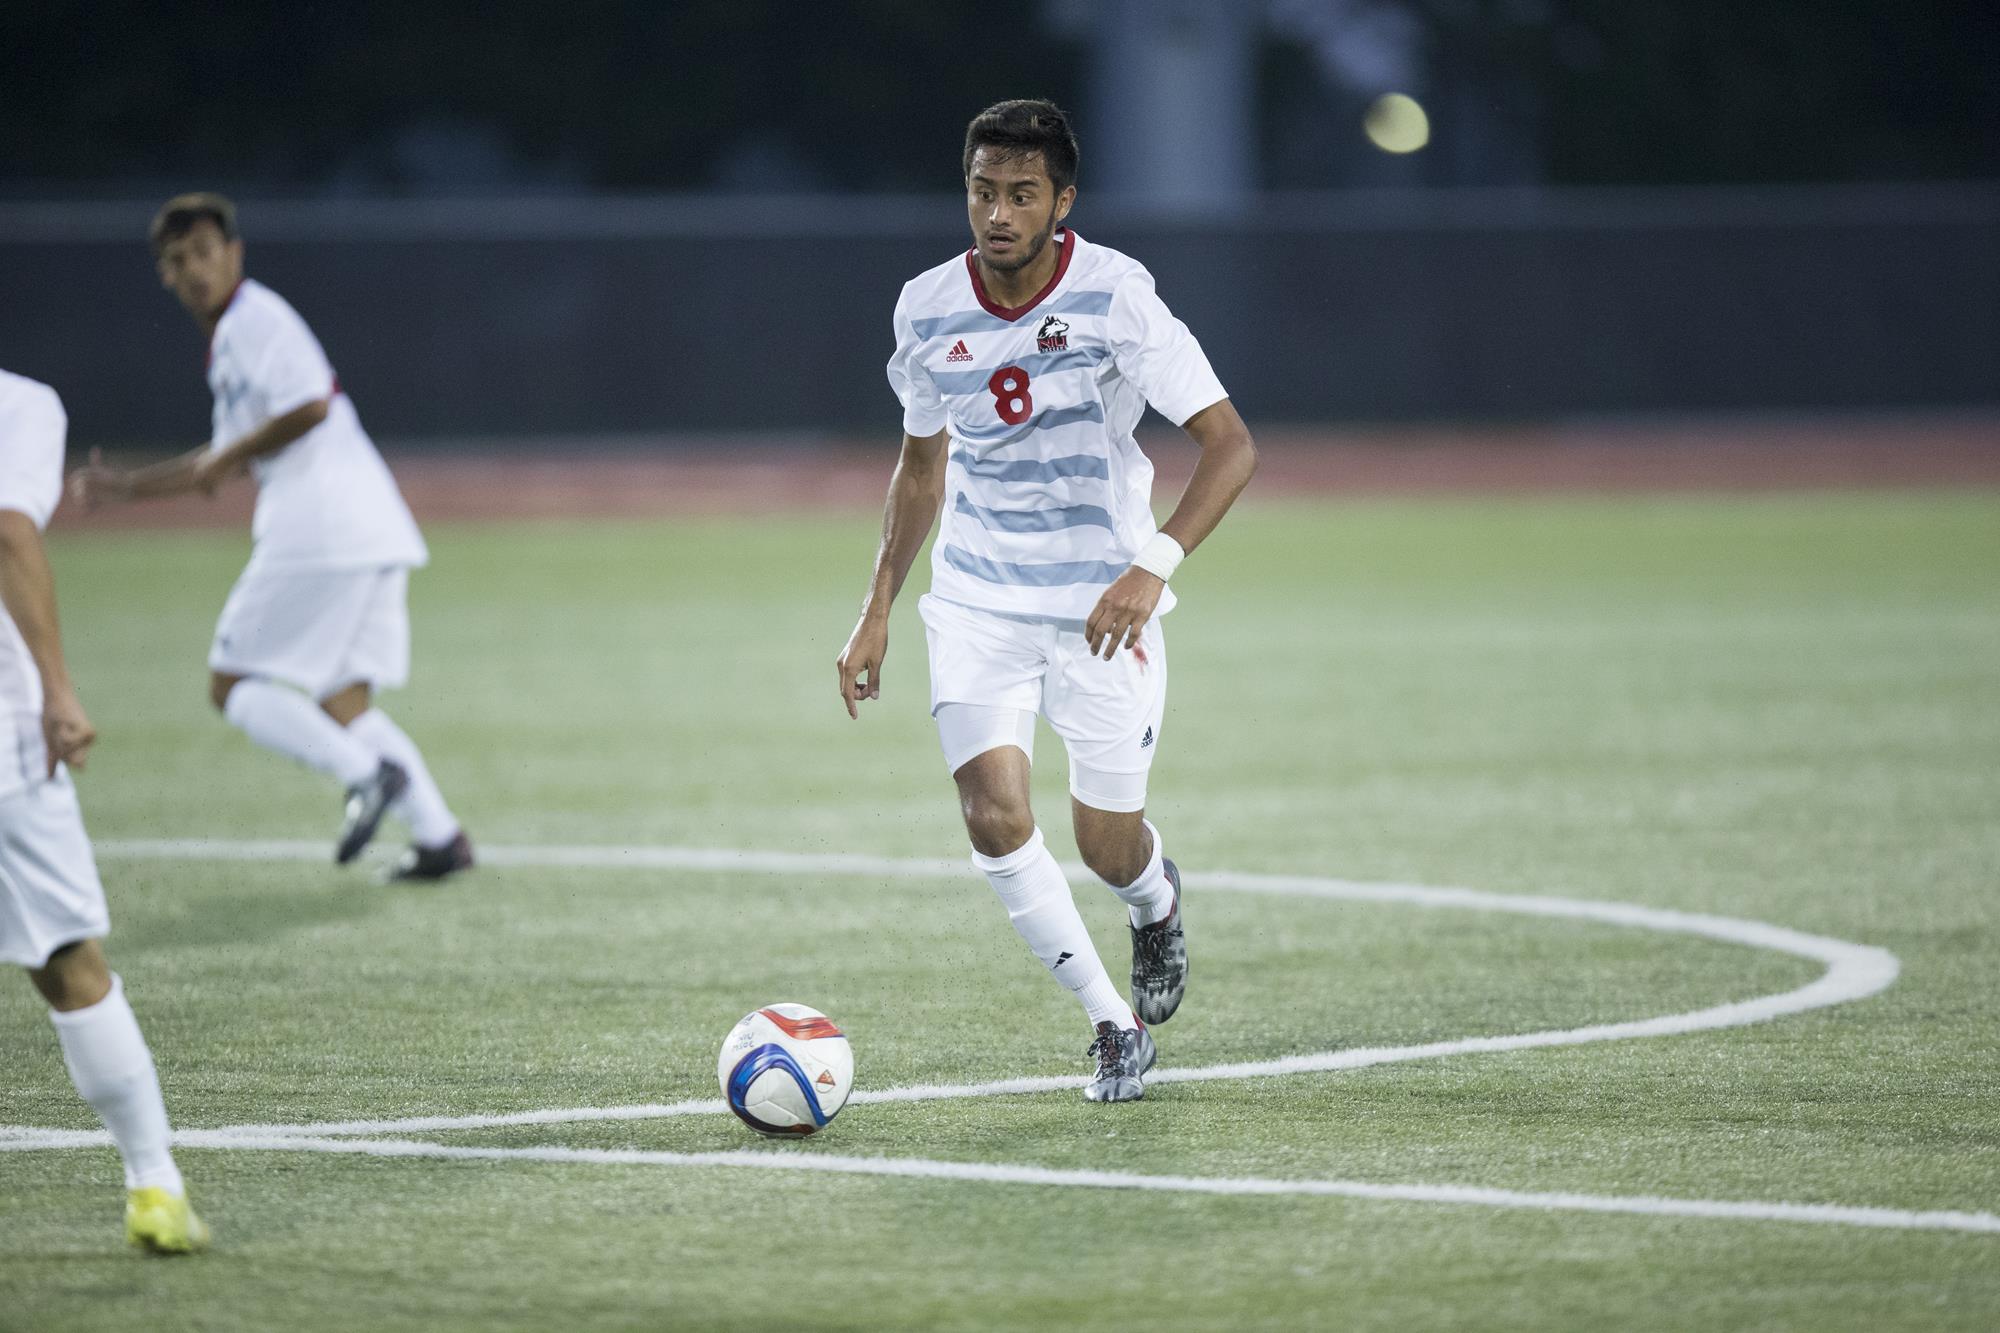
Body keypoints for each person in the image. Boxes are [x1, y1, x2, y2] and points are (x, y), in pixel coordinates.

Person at [836, 100, 1257, 1102]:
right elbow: (919, 469)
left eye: (1022, 194)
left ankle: (1152, 899)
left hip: (1103, 609)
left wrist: (1150, 564)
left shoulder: (1118, 298)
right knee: (990, 813)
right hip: (979, 601)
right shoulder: (925, 308)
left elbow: (1230, 445)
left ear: (1061, 202)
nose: (997, 212)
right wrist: (877, 604)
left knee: (1105, 846)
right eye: (983, 190)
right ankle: (1111, 1026)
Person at [70, 194, 471, 880]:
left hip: (321, 526)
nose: (193, 270)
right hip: (369, 524)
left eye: (203, 252)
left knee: (233, 685)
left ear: (234, 253)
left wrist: (229, 457)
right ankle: (439, 838)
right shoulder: (235, 338)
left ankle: (367, 776)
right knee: (344, 702)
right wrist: (131, 487)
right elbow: (219, 460)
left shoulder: (253, 319)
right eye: (177, 261)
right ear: (164, 275)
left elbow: (309, 403)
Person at [0, 368, 209, 1252]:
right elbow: (9, 531)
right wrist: (58, 686)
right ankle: (153, 1181)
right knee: (64, 957)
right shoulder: (19, 403)